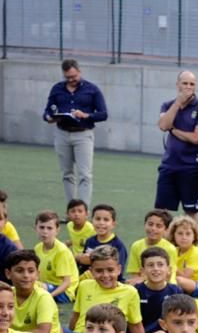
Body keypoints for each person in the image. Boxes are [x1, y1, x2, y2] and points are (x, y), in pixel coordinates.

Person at [59, 246, 146, 333]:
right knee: (54, 330)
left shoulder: (129, 292)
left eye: (110, 270)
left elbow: (136, 326)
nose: (105, 275)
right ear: (91, 271)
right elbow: (76, 315)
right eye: (99, 271)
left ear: (119, 269)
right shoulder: (84, 286)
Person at [43, 58, 107, 205]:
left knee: (85, 174)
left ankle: (83, 211)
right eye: (68, 77)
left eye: (74, 76)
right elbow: (47, 111)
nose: (71, 80)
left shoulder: (92, 90)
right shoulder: (57, 89)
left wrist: (86, 115)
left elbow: (103, 114)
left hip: (83, 134)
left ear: (79, 71)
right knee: (67, 174)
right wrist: (50, 118)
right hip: (62, 133)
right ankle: (71, 210)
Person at [154, 70, 198, 218]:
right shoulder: (167, 105)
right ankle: (163, 242)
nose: (188, 87)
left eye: (191, 84)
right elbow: (163, 125)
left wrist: (174, 130)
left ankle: (193, 241)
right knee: (162, 212)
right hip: (169, 166)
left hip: (192, 169)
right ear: (177, 85)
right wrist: (178, 103)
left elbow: (195, 138)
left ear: (196, 86)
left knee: (191, 212)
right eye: (185, 83)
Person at [4, 249, 63, 333]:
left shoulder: (43, 297)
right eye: (19, 270)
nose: (26, 275)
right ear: (8, 273)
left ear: (37, 274)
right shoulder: (6, 294)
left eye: (31, 271)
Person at [131, 247, 181, 333]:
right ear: (142, 271)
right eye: (150, 265)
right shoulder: (135, 291)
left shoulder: (175, 291)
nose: (156, 269)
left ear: (168, 269)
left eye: (160, 264)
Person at [32, 211, 78, 302]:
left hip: (64, 293)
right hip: (45, 286)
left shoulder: (61, 251)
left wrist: (49, 296)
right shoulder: (37, 248)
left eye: (49, 228)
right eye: (41, 227)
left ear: (57, 230)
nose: (45, 232)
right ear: (36, 228)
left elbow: (66, 283)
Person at [75, 204, 127, 274]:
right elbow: (83, 267)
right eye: (98, 219)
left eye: (106, 220)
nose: (101, 223)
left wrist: (93, 261)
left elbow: (118, 272)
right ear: (92, 221)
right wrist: (80, 259)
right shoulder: (90, 241)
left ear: (113, 224)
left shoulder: (118, 246)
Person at [126, 210, 178, 280]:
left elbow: (168, 276)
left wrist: (144, 279)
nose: (153, 228)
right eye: (150, 224)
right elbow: (134, 274)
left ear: (166, 230)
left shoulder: (170, 249)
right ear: (145, 225)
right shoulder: (136, 246)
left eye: (158, 226)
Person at [167, 215, 198, 297]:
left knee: (178, 280)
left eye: (188, 234)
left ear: (194, 236)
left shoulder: (196, 252)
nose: (184, 237)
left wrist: (171, 266)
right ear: (173, 235)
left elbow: (186, 277)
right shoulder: (174, 250)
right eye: (180, 233)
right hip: (184, 284)